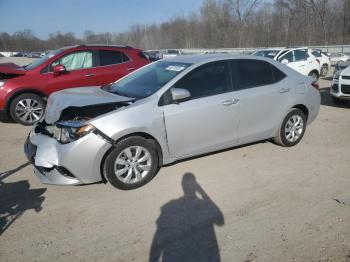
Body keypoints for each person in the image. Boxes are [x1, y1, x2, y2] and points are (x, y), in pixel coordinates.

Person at [149, 172, 224, 262]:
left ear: (182, 186)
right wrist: (203, 193)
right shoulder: (204, 205)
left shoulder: (171, 207)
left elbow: (159, 233)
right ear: (196, 187)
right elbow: (220, 221)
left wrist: (154, 258)